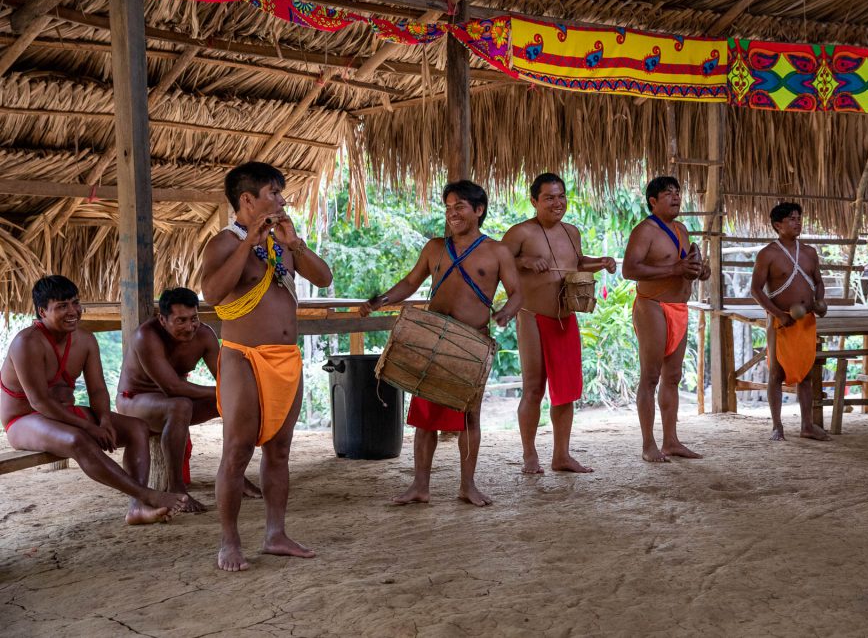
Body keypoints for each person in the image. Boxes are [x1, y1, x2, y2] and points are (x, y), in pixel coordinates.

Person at [202, 162, 333, 571]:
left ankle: (275, 534)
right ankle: (229, 541)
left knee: (279, 450)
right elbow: (212, 293)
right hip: (243, 355)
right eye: (273, 193)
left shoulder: (282, 242)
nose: (281, 199)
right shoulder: (223, 242)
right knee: (237, 451)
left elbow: (324, 278)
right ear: (247, 200)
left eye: (280, 192)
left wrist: (294, 245)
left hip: (285, 358)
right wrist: (248, 244)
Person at [360, 180, 521, 506]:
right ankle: (420, 485)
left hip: (471, 343)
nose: (452, 213)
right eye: (448, 207)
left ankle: (468, 485)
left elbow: (518, 292)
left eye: (459, 206)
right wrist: (380, 300)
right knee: (425, 419)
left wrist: (505, 312)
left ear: (478, 210)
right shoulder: (435, 247)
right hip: (431, 338)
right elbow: (410, 282)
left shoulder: (497, 251)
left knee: (469, 418)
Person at [1, 275, 188, 524]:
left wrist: (104, 420)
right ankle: (146, 495)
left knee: (137, 428)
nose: (72, 311)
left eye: (75, 303)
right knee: (77, 439)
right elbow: (40, 402)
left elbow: (98, 390)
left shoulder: (85, 340)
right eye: (62, 306)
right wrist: (90, 427)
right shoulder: (27, 343)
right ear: (42, 311)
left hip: (64, 415)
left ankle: (138, 508)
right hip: (24, 420)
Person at [501, 172, 615, 474]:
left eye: (561, 196)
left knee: (566, 391)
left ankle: (561, 455)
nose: (557, 202)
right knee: (534, 388)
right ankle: (529, 455)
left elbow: (576, 263)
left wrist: (601, 261)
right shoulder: (520, 233)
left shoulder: (571, 232)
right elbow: (494, 263)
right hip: (532, 316)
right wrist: (523, 262)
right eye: (549, 197)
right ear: (534, 200)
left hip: (565, 318)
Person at [117, 287, 260, 512]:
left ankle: (235, 474)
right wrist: (224, 392)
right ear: (162, 319)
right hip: (135, 402)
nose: (189, 326)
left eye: (194, 319)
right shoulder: (147, 336)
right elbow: (172, 387)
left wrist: (233, 395)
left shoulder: (204, 334)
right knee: (181, 405)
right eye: (180, 320)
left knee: (235, 403)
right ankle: (177, 487)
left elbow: (225, 378)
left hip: (176, 402)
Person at [622, 176, 710, 462]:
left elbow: (687, 266)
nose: (675, 197)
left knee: (673, 376)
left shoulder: (682, 230)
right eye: (668, 193)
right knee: (650, 376)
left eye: (678, 192)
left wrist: (699, 271)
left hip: (679, 306)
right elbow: (629, 269)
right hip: (652, 306)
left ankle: (671, 441)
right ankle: (649, 444)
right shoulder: (645, 231)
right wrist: (675, 268)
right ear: (653, 202)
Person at [751, 202, 830, 441]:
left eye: (799, 218)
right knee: (776, 373)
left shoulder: (809, 252)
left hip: (806, 320)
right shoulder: (768, 254)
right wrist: (778, 314)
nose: (797, 222)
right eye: (791, 219)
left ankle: (807, 425)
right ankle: (777, 426)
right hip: (781, 321)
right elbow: (756, 290)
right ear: (777, 225)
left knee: (806, 374)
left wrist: (820, 301)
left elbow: (818, 281)